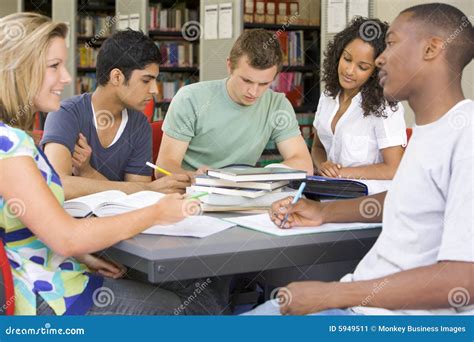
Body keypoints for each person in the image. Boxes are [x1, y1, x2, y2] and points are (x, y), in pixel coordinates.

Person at [245, 3, 473, 315]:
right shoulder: (430, 129)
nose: (380, 58)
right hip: (361, 304)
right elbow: (410, 200)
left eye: (391, 44)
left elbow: (462, 281)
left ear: (432, 49)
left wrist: (334, 294)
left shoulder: (467, 135)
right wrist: (322, 211)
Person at [0, 13, 221, 316]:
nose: (66, 77)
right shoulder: (9, 145)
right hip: (44, 295)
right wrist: (157, 210)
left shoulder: (12, 138)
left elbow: (27, 227)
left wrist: (83, 256)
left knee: (197, 295)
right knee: (180, 306)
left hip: (52, 272)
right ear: (18, 69)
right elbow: (66, 237)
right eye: (54, 66)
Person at [41, 29, 191, 200]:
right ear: (117, 77)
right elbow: (58, 185)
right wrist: (147, 189)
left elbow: (137, 198)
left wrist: (88, 172)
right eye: (146, 80)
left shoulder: (140, 124)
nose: (154, 90)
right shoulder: (65, 113)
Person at [157, 29, 313, 176]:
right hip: (191, 194)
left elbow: (304, 164)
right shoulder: (190, 99)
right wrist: (194, 177)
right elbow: (163, 167)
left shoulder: (277, 104)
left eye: (264, 84)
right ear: (229, 66)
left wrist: (259, 176)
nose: (253, 92)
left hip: (244, 195)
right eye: (246, 80)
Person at [311, 17, 407, 180]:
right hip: (328, 192)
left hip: (367, 198)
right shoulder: (328, 95)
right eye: (347, 59)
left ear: (376, 72)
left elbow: (394, 168)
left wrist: (341, 174)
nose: (349, 71)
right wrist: (323, 166)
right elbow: (318, 148)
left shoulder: (385, 106)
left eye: (362, 67)